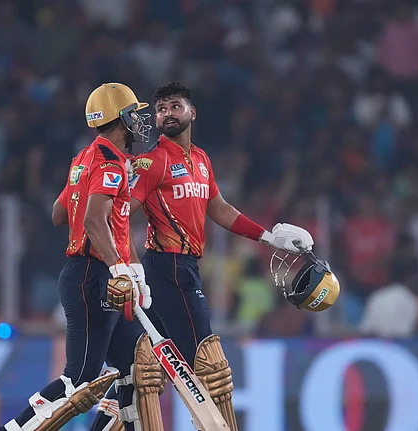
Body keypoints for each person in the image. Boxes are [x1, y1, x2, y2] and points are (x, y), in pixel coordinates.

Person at [93, 82, 316, 430]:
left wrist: (270, 237)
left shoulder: (200, 160)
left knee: (143, 371)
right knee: (210, 364)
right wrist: (125, 264)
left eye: (175, 106)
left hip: (181, 268)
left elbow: (220, 209)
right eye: (161, 108)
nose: (167, 113)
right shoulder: (152, 161)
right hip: (168, 268)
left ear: (191, 112)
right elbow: (121, 214)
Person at [0, 83, 164, 431]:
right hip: (93, 275)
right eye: (134, 114)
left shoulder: (85, 158)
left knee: (132, 371)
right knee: (81, 379)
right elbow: (92, 219)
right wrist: (119, 267)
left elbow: (61, 213)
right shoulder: (109, 161)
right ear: (120, 119)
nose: (139, 121)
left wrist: (135, 271)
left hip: (95, 272)